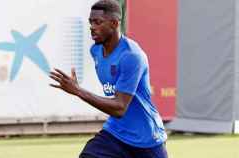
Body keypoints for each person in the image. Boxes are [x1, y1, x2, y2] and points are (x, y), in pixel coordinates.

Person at [49, 0, 168, 157]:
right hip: (116, 133)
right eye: (90, 22)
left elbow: (119, 108)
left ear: (114, 23)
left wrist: (78, 91)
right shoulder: (96, 51)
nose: (92, 27)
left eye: (97, 22)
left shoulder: (131, 56)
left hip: (145, 137)